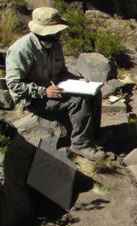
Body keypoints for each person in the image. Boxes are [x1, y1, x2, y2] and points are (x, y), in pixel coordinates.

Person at [5, 7, 104, 161]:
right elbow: (14, 84)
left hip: (53, 89)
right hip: (32, 99)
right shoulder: (21, 50)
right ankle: (80, 145)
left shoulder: (54, 43)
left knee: (95, 93)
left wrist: (77, 80)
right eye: (55, 31)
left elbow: (61, 71)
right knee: (78, 101)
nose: (59, 34)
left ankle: (92, 135)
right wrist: (44, 92)